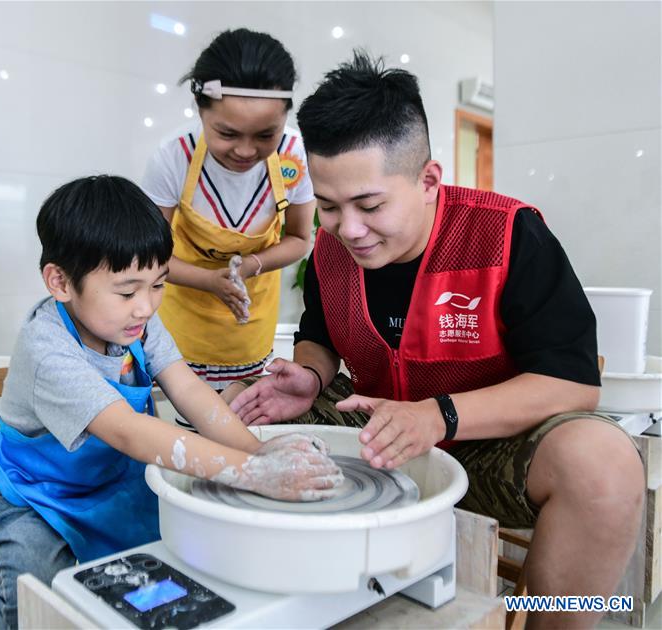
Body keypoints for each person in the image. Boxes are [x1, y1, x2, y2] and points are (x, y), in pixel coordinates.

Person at [227, 52, 644, 629]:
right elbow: (319, 336)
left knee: (603, 465)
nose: (349, 229)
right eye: (328, 207)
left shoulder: (506, 234)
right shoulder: (330, 250)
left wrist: (438, 416)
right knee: (237, 407)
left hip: (490, 445)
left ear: (428, 181)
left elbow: (572, 383)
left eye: (370, 205)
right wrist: (311, 375)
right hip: (376, 433)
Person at [0, 175, 342, 629]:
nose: (145, 306)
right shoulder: (46, 348)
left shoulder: (134, 324)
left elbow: (190, 391)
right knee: (38, 577)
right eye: (127, 292)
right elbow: (129, 431)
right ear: (60, 282)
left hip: (105, 481)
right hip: (25, 495)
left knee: (172, 550)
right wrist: (252, 473)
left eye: (158, 285)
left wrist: (257, 452)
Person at [141, 29, 316, 423]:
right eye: (227, 133)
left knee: (247, 422)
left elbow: (298, 238)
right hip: (187, 318)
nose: (245, 150)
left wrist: (251, 266)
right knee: (193, 427)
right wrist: (209, 281)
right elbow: (150, 255)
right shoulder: (174, 158)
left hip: (251, 322)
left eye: (265, 135)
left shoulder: (294, 156)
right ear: (200, 110)